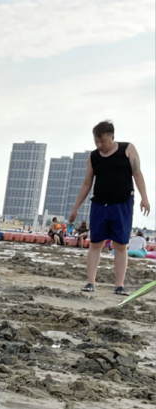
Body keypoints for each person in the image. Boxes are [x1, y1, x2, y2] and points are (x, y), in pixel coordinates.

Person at [69, 121, 151, 296]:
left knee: (120, 244)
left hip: (122, 203)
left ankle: (119, 285)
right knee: (95, 243)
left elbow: (137, 173)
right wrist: (75, 207)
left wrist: (145, 198)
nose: (100, 145)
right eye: (96, 141)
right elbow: (87, 183)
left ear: (112, 136)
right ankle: (90, 282)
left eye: (103, 141)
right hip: (100, 204)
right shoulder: (93, 157)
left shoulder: (127, 149)